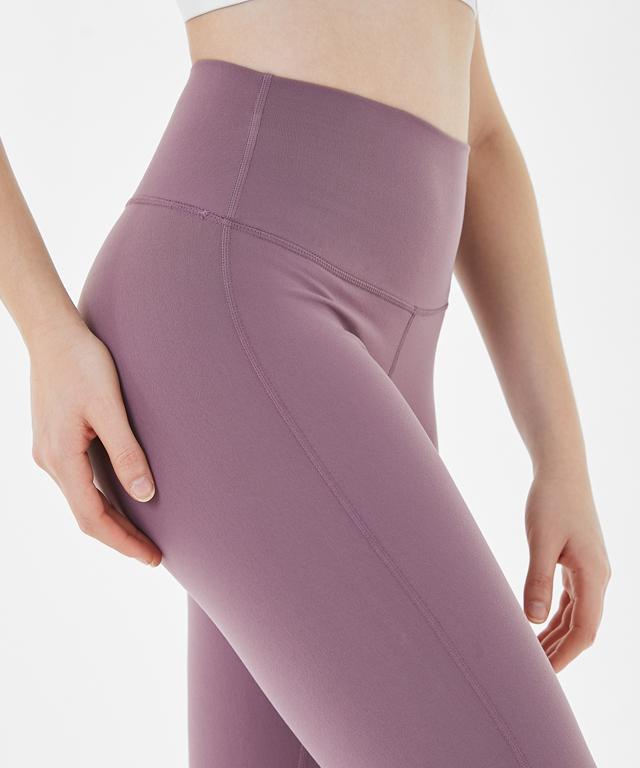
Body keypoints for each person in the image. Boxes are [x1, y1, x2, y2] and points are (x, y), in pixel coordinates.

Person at [0, 1, 611, 766]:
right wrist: (46, 333)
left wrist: (562, 458)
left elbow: (480, 131)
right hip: (231, 309)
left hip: (369, 351)